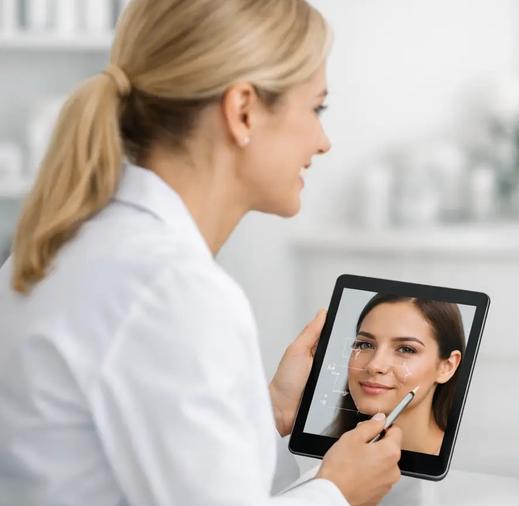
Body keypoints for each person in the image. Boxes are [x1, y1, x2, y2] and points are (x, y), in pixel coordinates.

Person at [0, 1, 402, 504]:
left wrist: (271, 409)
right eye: (316, 107)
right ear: (242, 111)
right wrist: (338, 491)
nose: (323, 141)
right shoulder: (171, 291)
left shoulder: (63, 247)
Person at [326, 294, 464, 456]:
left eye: (406, 349)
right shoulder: (331, 450)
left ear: (447, 367)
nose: (374, 365)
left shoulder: (462, 467)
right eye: (365, 344)